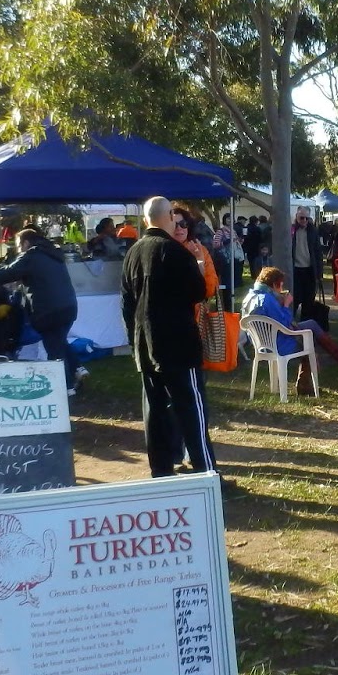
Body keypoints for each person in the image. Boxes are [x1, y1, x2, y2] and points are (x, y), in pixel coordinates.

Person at [121, 196, 219, 478]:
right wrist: (199, 268)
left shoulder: (133, 253)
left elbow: (126, 303)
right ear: (168, 218)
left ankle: (161, 471)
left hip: (145, 342)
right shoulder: (174, 252)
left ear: (145, 220)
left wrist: (133, 340)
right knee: (191, 408)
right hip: (177, 344)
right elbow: (197, 292)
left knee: (155, 411)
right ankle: (205, 472)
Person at [0, 228, 81, 394]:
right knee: (60, 341)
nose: (18, 249)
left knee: (55, 349)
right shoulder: (54, 254)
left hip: (48, 310)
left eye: (18, 245)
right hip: (68, 307)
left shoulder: (30, 256)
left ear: (26, 243)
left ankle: (65, 387)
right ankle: (77, 369)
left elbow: (9, 272)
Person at [241, 266, 338, 393]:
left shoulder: (249, 297)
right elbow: (285, 325)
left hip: (261, 342)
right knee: (309, 338)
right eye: (281, 285)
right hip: (278, 343)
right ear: (275, 285)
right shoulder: (267, 300)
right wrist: (286, 305)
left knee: (311, 326)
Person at [288, 206, 324, 318]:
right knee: (294, 298)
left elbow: (318, 253)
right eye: (301, 218)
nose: (304, 221)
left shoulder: (313, 231)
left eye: (306, 218)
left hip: (309, 270)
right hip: (295, 270)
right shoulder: (291, 230)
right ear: (296, 217)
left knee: (308, 300)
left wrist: (319, 274)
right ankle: (289, 324)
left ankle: (305, 326)